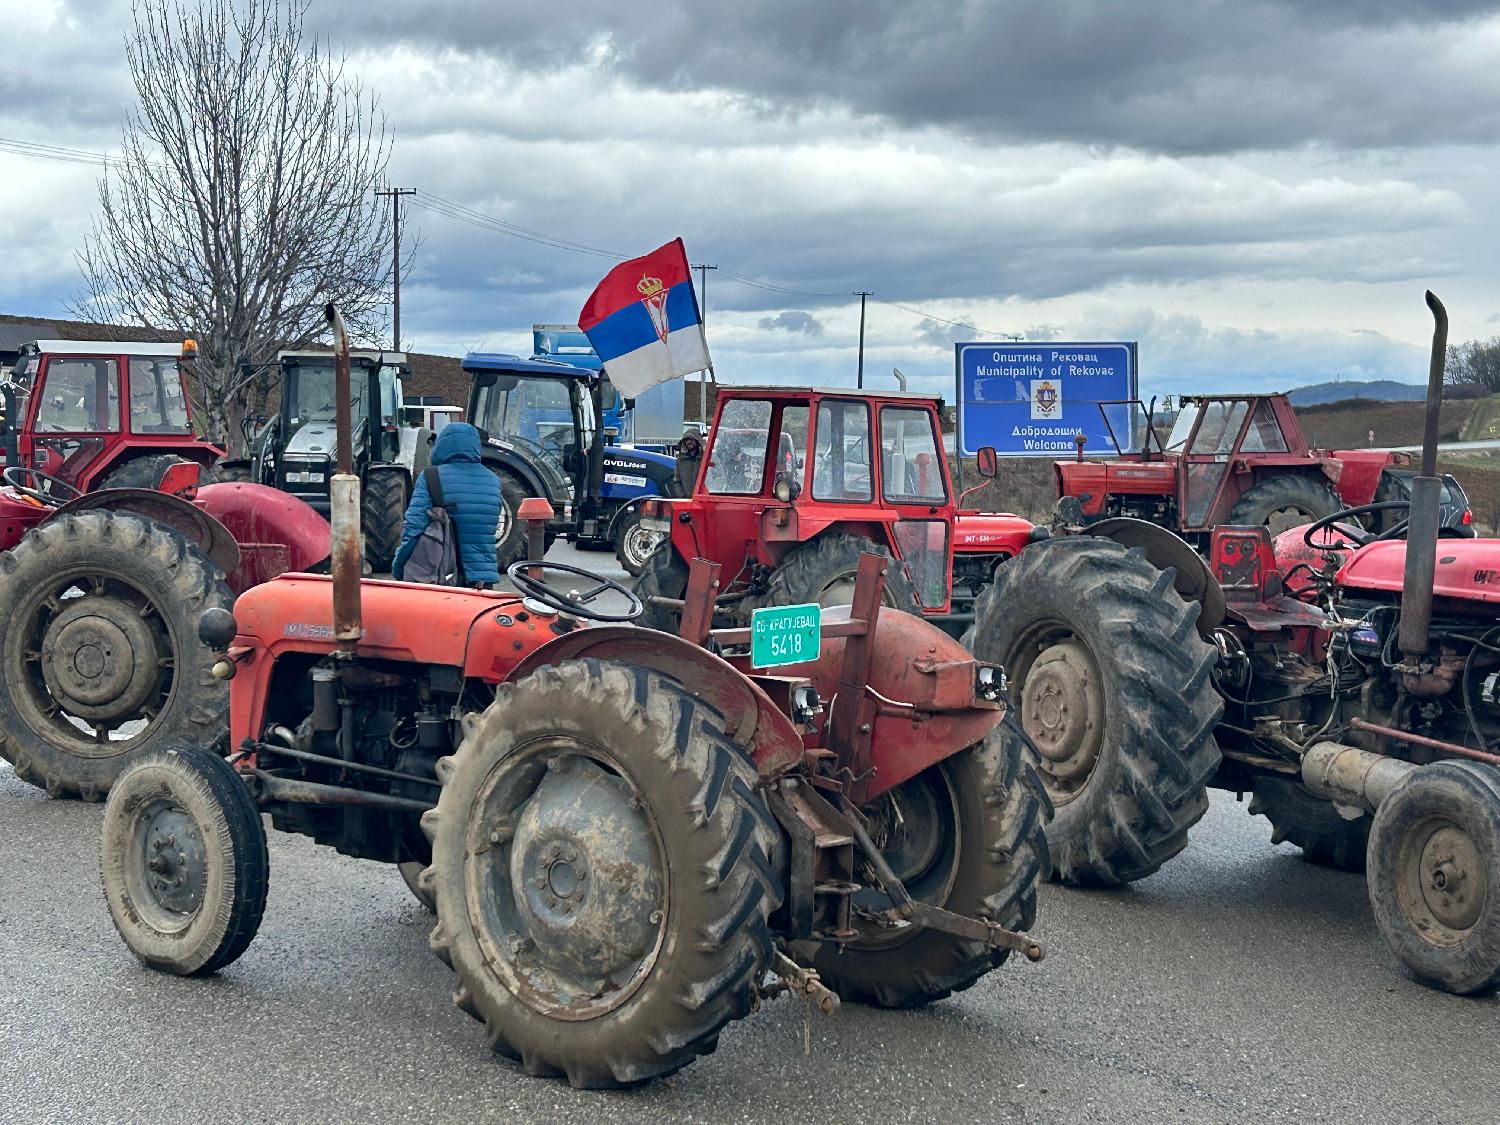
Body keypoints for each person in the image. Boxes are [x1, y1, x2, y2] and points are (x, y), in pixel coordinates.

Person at [392, 422, 501, 586]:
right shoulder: (494, 480)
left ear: (442, 445)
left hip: (443, 576)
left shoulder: (431, 476)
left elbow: (414, 527)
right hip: (482, 580)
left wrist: (399, 565)